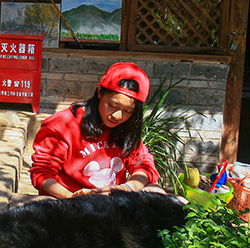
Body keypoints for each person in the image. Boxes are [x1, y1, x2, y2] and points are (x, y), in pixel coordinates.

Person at [30, 62, 166, 199]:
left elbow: (144, 165)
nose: (117, 116)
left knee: (160, 193)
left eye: (128, 111)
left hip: (110, 203)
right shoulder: (63, 124)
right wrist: (72, 197)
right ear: (100, 92)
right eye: (112, 105)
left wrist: (126, 188)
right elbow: (42, 173)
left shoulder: (126, 127)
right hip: (69, 203)